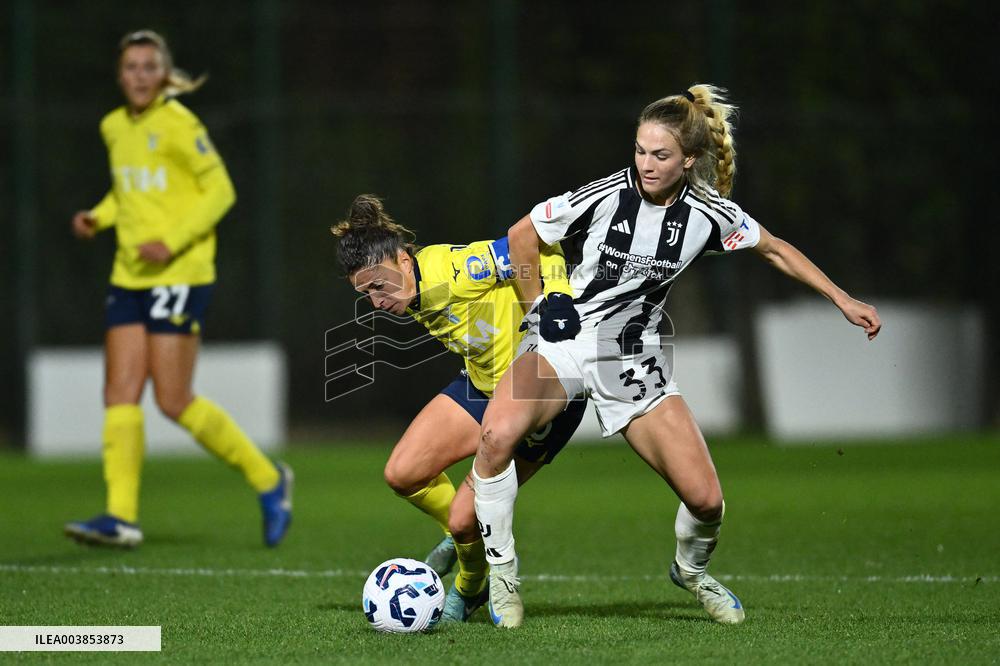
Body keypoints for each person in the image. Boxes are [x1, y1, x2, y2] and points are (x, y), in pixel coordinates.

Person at [471, 84, 883, 628]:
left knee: (707, 500)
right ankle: (503, 576)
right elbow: (522, 235)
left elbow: (776, 248)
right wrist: (538, 306)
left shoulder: (710, 214)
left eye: (660, 155)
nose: (645, 164)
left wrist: (843, 298)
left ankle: (690, 570)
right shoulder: (604, 195)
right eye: (640, 150)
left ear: (688, 160)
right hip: (565, 343)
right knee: (497, 435)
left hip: (632, 357)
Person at [64, 30, 292, 549]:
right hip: (129, 274)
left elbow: (221, 191)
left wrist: (172, 241)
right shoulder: (113, 126)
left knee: (172, 399)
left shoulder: (179, 123)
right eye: (131, 67)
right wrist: (96, 218)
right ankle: (120, 517)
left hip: (181, 273)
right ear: (120, 75)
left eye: (149, 67)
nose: (140, 76)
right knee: (119, 392)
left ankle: (268, 479)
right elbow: (129, 193)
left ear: (164, 75)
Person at [330, 194, 587, 622]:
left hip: (537, 401)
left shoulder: (456, 271)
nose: (376, 302)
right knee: (402, 473)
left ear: (402, 258)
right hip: (482, 386)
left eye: (378, 285)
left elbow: (537, 245)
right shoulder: (409, 290)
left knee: (467, 519)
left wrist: (555, 296)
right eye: (366, 294)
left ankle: (468, 589)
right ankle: (462, 537)